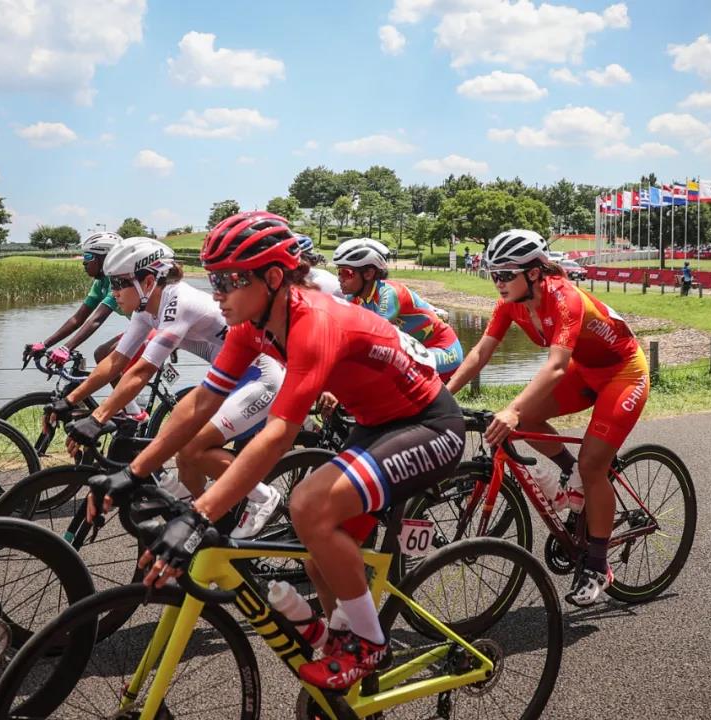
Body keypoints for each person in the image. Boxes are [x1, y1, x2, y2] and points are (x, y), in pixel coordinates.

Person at [118, 212, 464, 690]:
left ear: (274, 278)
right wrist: (133, 473)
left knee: (308, 505)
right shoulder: (251, 326)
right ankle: (343, 652)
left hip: (430, 425)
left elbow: (280, 433)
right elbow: (200, 402)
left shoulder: (314, 321)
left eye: (228, 280)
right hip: (375, 425)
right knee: (316, 555)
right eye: (213, 279)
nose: (217, 293)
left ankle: (370, 644)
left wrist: (198, 516)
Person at [445, 229, 649, 607]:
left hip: (623, 374)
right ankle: (572, 476)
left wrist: (511, 408)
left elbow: (555, 367)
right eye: (493, 274)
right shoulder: (510, 304)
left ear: (534, 273)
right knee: (526, 423)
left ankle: (598, 566)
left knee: (593, 464)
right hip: (585, 371)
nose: (497, 282)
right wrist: (442, 396)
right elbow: (479, 354)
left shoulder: (564, 299)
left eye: (505, 274)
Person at [58, 235, 284, 538]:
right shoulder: (145, 310)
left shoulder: (179, 301)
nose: (113, 292)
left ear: (148, 281)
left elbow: (142, 371)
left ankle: (262, 496)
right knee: (184, 462)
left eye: (119, 283)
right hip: (229, 378)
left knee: (192, 448)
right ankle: (213, 524)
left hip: (261, 378)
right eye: (111, 283)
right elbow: (115, 361)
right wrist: (69, 400)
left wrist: (98, 418)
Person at [22, 231, 151, 419]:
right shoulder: (100, 284)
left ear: (105, 258)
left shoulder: (118, 282)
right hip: (141, 328)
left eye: (88, 257)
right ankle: (131, 408)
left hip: (155, 328)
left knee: (105, 354)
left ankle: (133, 412)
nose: (83, 262)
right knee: (102, 354)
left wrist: (66, 348)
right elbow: (78, 318)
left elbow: (96, 319)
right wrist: (45, 344)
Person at [333, 238, 464, 381]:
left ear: (369, 273)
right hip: (417, 351)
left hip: (443, 349)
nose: (339, 278)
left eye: (346, 273)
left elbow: (376, 337)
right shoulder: (354, 298)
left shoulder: (389, 293)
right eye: (338, 271)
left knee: (388, 367)